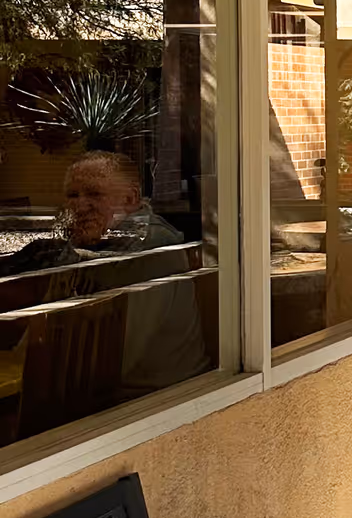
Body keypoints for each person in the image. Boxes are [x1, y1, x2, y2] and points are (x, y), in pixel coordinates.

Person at [10, 151, 210, 390]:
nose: (80, 205)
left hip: (156, 396)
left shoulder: (154, 247)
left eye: (94, 194)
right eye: (72, 195)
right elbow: (43, 326)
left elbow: (119, 356)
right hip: (94, 390)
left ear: (130, 198)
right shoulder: (80, 246)